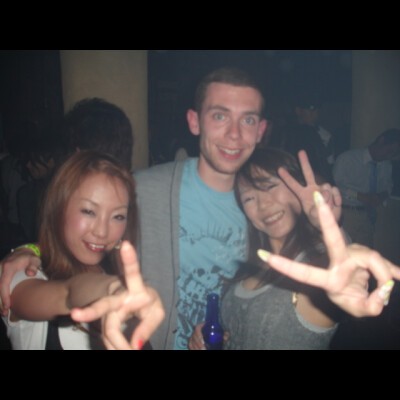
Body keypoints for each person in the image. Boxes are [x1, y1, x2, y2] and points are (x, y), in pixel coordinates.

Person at [0, 67, 339, 350]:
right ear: (194, 122)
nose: (234, 134)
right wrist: (33, 250)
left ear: (261, 130)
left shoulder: (264, 207)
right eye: (220, 116)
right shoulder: (142, 189)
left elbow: (322, 266)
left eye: (248, 120)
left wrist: (327, 227)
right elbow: (86, 233)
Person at [188, 148, 400, 350]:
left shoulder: (313, 269)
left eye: (270, 186)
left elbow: (334, 275)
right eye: (249, 198)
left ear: (297, 188)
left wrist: (325, 226)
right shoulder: (250, 265)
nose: (263, 204)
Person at [1, 151, 163, 349]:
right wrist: (112, 290)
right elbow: (67, 293)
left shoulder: (119, 274)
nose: (102, 232)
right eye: (88, 211)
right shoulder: (22, 274)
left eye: (118, 216)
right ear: (59, 208)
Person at [333, 128, 400, 248]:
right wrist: (360, 196)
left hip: (367, 215)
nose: (390, 155)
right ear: (381, 141)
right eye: (390, 150)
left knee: (365, 253)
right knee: (342, 251)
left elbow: (388, 186)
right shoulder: (348, 159)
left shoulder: (386, 165)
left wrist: (381, 196)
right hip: (347, 213)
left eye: (394, 154)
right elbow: (335, 186)